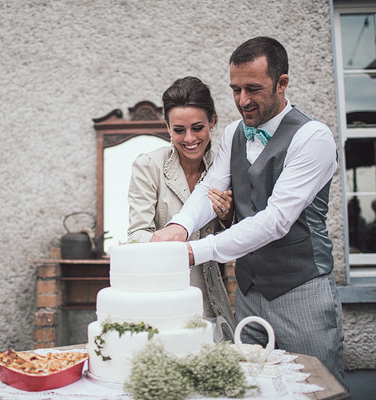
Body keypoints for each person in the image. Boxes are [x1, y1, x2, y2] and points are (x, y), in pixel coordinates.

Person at [151, 37, 346, 388]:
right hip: (248, 294)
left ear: (282, 83)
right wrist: (179, 226)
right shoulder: (232, 133)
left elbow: (275, 220)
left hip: (300, 292)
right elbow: (209, 188)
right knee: (253, 388)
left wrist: (195, 251)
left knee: (315, 389)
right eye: (235, 89)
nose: (242, 101)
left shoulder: (313, 138)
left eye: (253, 89)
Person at [127, 76, 236, 342]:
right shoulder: (148, 166)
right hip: (163, 298)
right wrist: (175, 238)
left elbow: (242, 231)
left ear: (213, 121)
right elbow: (136, 235)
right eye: (179, 130)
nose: (189, 138)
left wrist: (226, 216)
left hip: (212, 296)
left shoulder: (225, 166)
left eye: (197, 127)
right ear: (167, 127)